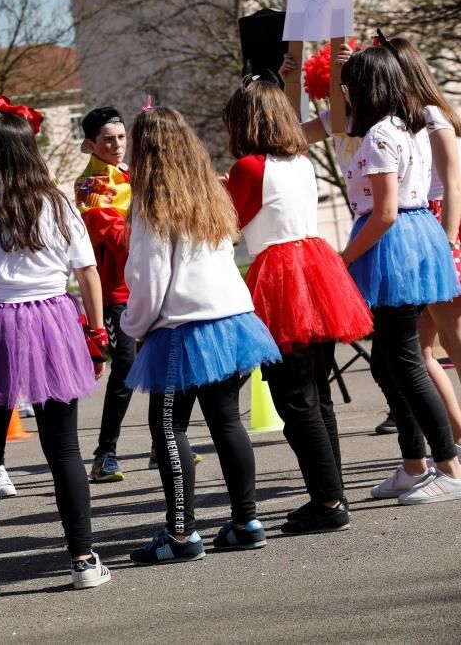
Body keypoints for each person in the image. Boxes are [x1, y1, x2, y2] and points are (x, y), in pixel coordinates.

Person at [0, 97, 112, 601]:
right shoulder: (57, 202)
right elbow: (88, 272)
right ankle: (83, 561)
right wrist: (96, 335)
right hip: (56, 320)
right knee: (64, 451)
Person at [121, 106, 281, 565]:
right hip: (231, 321)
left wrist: (132, 328)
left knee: (168, 427)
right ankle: (246, 521)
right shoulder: (210, 191)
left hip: (183, 328)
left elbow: (150, 278)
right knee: (227, 421)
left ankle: (181, 533)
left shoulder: (152, 203)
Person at [221, 78, 372, 534]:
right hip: (317, 270)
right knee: (317, 395)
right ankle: (333, 494)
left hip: (281, 276)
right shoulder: (301, 162)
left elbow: (227, 226)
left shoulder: (249, 168)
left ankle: (328, 501)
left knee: (295, 399)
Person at [334, 46, 461, 503]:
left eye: (347, 86)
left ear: (361, 88)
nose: (343, 94)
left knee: (404, 361)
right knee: (392, 362)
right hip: (412, 235)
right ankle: (414, 463)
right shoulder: (403, 129)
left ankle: (447, 466)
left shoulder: (381, 136)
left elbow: (384, 213)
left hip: (394, 243)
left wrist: (345, 257)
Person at [382, 35, 461, 454]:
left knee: (452, 339)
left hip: (439, 230)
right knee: (418, 348)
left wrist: (446, 245)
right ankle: (455, 435)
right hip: (426, 229)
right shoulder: (401, 119)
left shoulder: (432, 116)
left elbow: (452, 186)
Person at [74, 106, 135, 482]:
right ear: (91, 144)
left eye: (121, 137)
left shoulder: (134, 174)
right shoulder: (91, 184)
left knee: (166, 364)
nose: (117, 145)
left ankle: (164, 445)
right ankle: (105, 453)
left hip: (149, 283)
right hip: (115, 291)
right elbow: (116, 237)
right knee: (126, 366)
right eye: (108, 139)